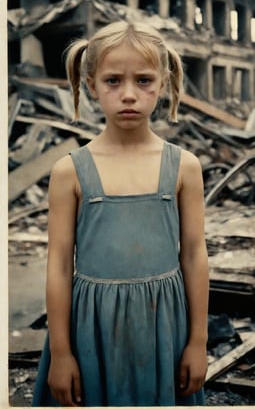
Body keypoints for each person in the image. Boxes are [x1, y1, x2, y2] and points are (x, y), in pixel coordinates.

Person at [32, 20, 209, 407]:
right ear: (92, 85)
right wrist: (61, 354)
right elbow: (60, 265)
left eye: (144, 80)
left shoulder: (184, 167)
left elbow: (194, 255)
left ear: (162, 84)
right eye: (113, 81)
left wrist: (198, 341)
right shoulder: (70, 171)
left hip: (164, 328)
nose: (129, 95)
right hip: (91, 331)